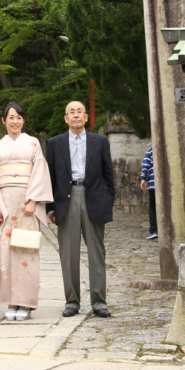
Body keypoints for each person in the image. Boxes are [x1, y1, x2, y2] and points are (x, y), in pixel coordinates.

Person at [46, 100, 115, 318]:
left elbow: (109, 175)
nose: (76, 115)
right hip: (66, 199)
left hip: (93, 197)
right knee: (68, 253)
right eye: (71, 112)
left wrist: (107, 203)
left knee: (96, 252)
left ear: (86, 117)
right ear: (65, 118)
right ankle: (72, 301)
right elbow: (50, 177)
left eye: (79, 112)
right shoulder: (54, 143)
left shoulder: (100, 141)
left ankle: (99, 302)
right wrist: (50, 207)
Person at [0, 102, 53, 321]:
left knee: (26, 251)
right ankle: (11, 302)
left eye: (19, 117)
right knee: (4, 254)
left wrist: (33, 200)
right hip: (5, 203)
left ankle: (25, 303)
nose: (15, 121)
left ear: (23, 121)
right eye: (11, 117)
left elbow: (40, 172)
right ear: (3, 120)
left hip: (26, 204)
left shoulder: (33, 143)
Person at [141, 144, 157, 240]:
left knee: (153, 208)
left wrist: (143, 178)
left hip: (154, 183)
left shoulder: (152, 147)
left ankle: (154, 230)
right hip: (169, 186)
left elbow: (146, 163)